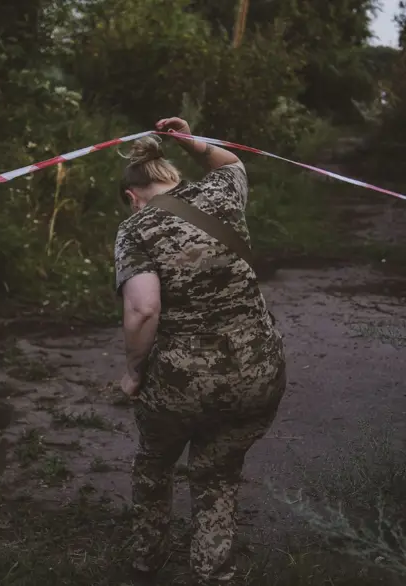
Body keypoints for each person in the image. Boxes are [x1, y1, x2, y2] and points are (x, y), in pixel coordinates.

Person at [114, 117, 287, 585]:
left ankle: (148, 559)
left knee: (155, 460)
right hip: (257, 371)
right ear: (174, 177)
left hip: (180, 381)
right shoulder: (221, 192)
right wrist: (188, 140)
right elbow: (230, 160)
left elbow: (144, 310)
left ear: (132, 197)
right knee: (218, 469)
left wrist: (133, 371)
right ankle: (213, 568)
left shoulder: (134, 231)